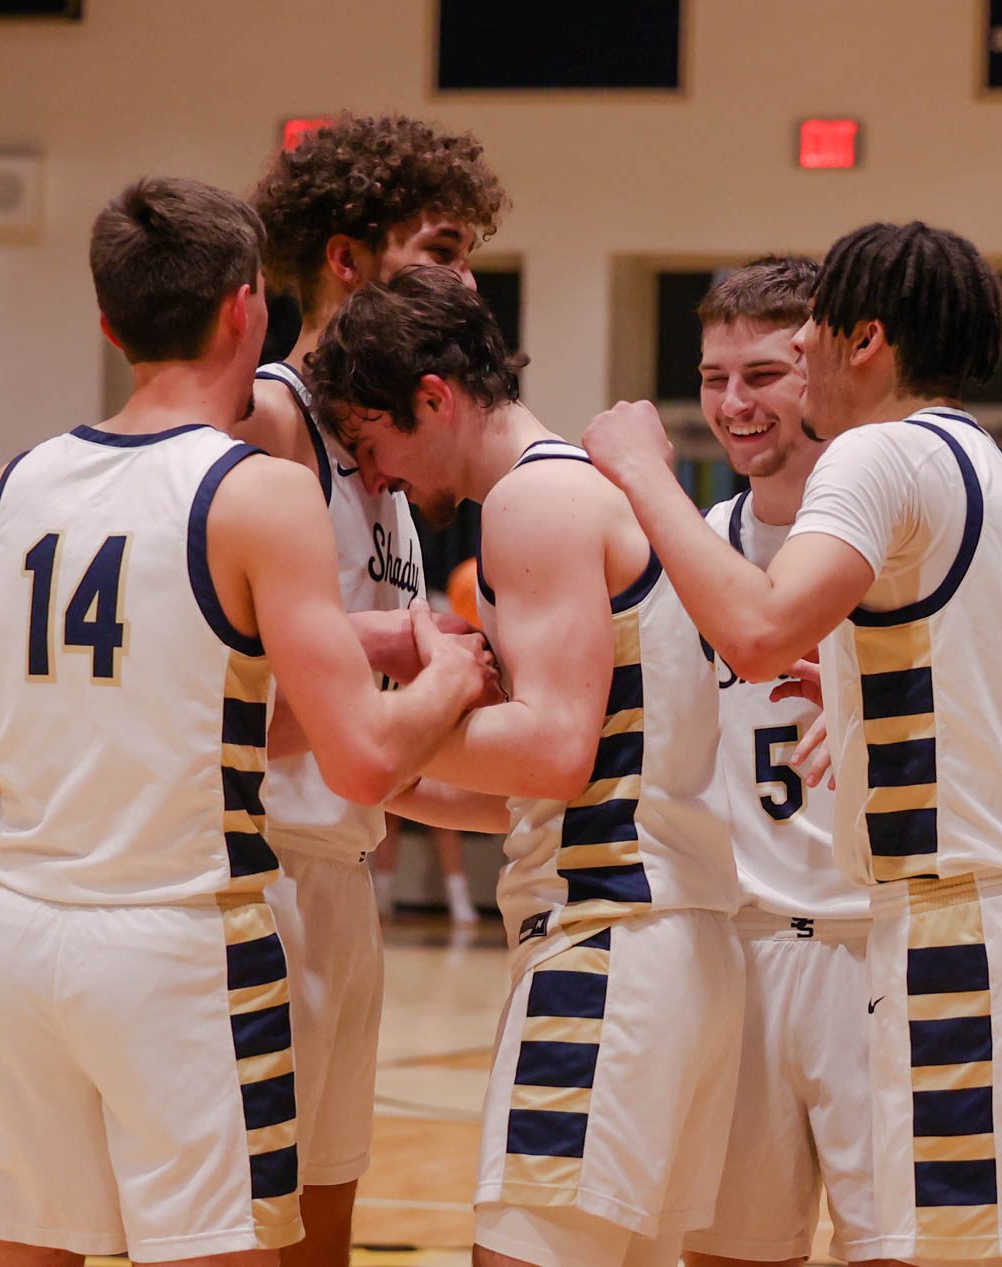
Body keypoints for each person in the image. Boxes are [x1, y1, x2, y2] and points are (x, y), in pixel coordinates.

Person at [0, 176, 494, 1267]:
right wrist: (452, 672)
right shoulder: (255, 490)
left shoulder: (11, 485)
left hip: (23, 935)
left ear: (109, 324)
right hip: (181, 942)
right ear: (247, 307)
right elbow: (364, 757)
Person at [585, 221, 1002, 1267]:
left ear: (864, 339)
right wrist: (859, 696)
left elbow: (754, 632)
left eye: (809, 336)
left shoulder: (883, 452)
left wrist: (643, 472)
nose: (799, 359)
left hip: (967, 933)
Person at [306, 265, 742, 1267]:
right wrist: (391, 769)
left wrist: (382, 718)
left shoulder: (532, 500)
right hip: (672, 943)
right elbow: (557, 785)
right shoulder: (577, 493)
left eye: (374, 445)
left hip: (606, 944)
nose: (379, 478)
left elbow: (551, 750)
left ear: (434, 399)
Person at [245, 111, 508, 1265]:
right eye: (441, 249)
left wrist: (527, 802)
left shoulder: (387, 458)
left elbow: (365, 745)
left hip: (339, 872)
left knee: (324, 1230)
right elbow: (234, 705)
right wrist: (421, 672)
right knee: (242, 1231)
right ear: (345, 259)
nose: (467, 281)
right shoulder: (266, 421)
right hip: (249, 874)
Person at [667, 257, 894, 1267]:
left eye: (761, 374)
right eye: (713, 378)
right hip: (740, 949)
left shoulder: (903, 544)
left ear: (820, 365)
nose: (732, 403)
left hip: (876, 947)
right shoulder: (693, 551)